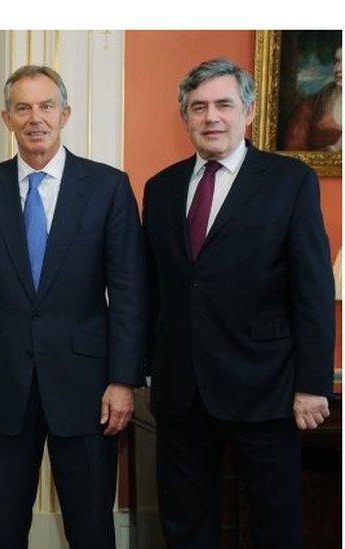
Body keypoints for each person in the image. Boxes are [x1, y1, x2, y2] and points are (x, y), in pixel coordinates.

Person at [0, 66, 145, 548]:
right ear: (7, 118)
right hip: (2, 386)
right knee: (5, 524)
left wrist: (122, 380)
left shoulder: (107, 186)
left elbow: (128, 293)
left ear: (65, 114)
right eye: (23, 108)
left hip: (88, 388)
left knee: (91, 526)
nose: (35, 118)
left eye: (46, 106)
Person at [143, 57, 335, 549]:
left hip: (266, 387)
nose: (212, 117)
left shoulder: (289, 182)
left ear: (247, 113)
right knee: (185, 523)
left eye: (224, 104)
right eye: (199, 107)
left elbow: (312, 291)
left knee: (275, 522)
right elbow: (151, 289)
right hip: (181, 389)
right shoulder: (160, 188)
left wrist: (313, 384)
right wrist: (139, 369)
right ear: (184, 116)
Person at [283, 46, 342, 152]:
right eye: (337, 62)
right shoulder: (308, 108)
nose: (339, 69)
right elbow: (294, 155)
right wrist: (334, 148)